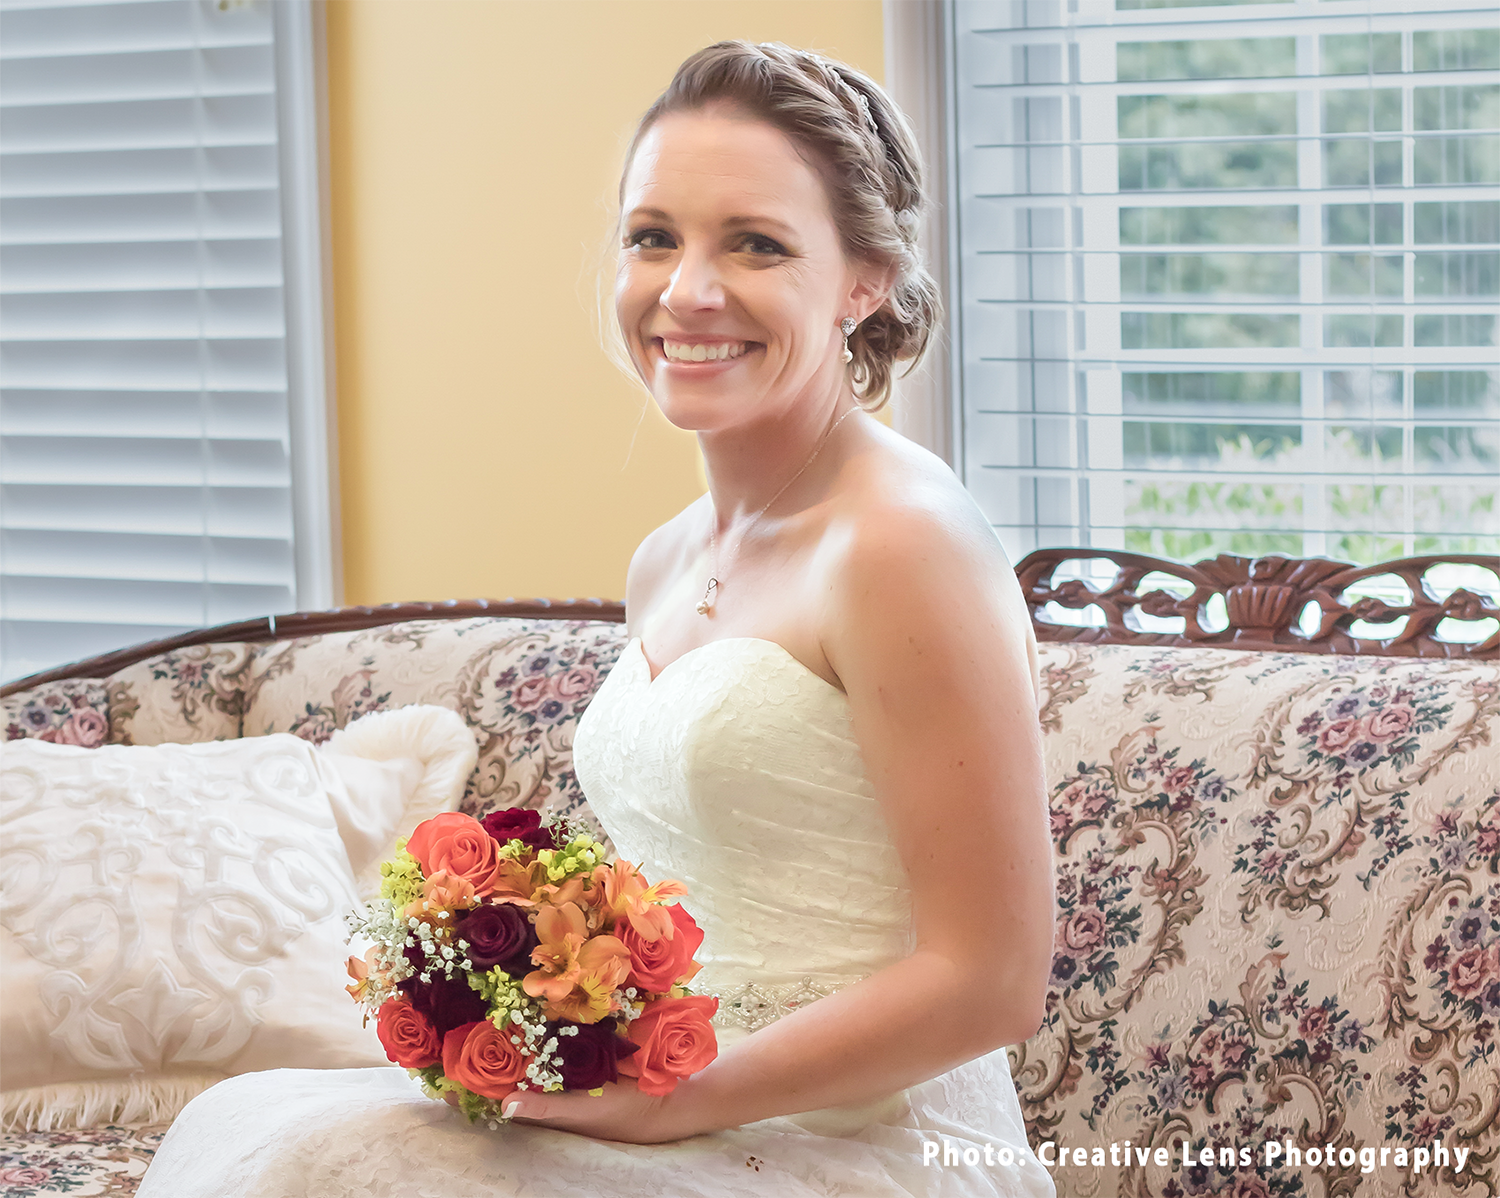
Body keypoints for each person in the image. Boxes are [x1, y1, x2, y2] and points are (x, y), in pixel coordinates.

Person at [137, 41, 1057, 1198]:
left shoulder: (903, 546)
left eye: (756, 243)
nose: (688, 290)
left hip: (864, 1144)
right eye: (653, 235)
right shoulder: (666, 560)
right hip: (679, 1111)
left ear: (864, 277)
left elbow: (994, 979)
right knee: (259, 1131)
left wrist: (673, 1105)